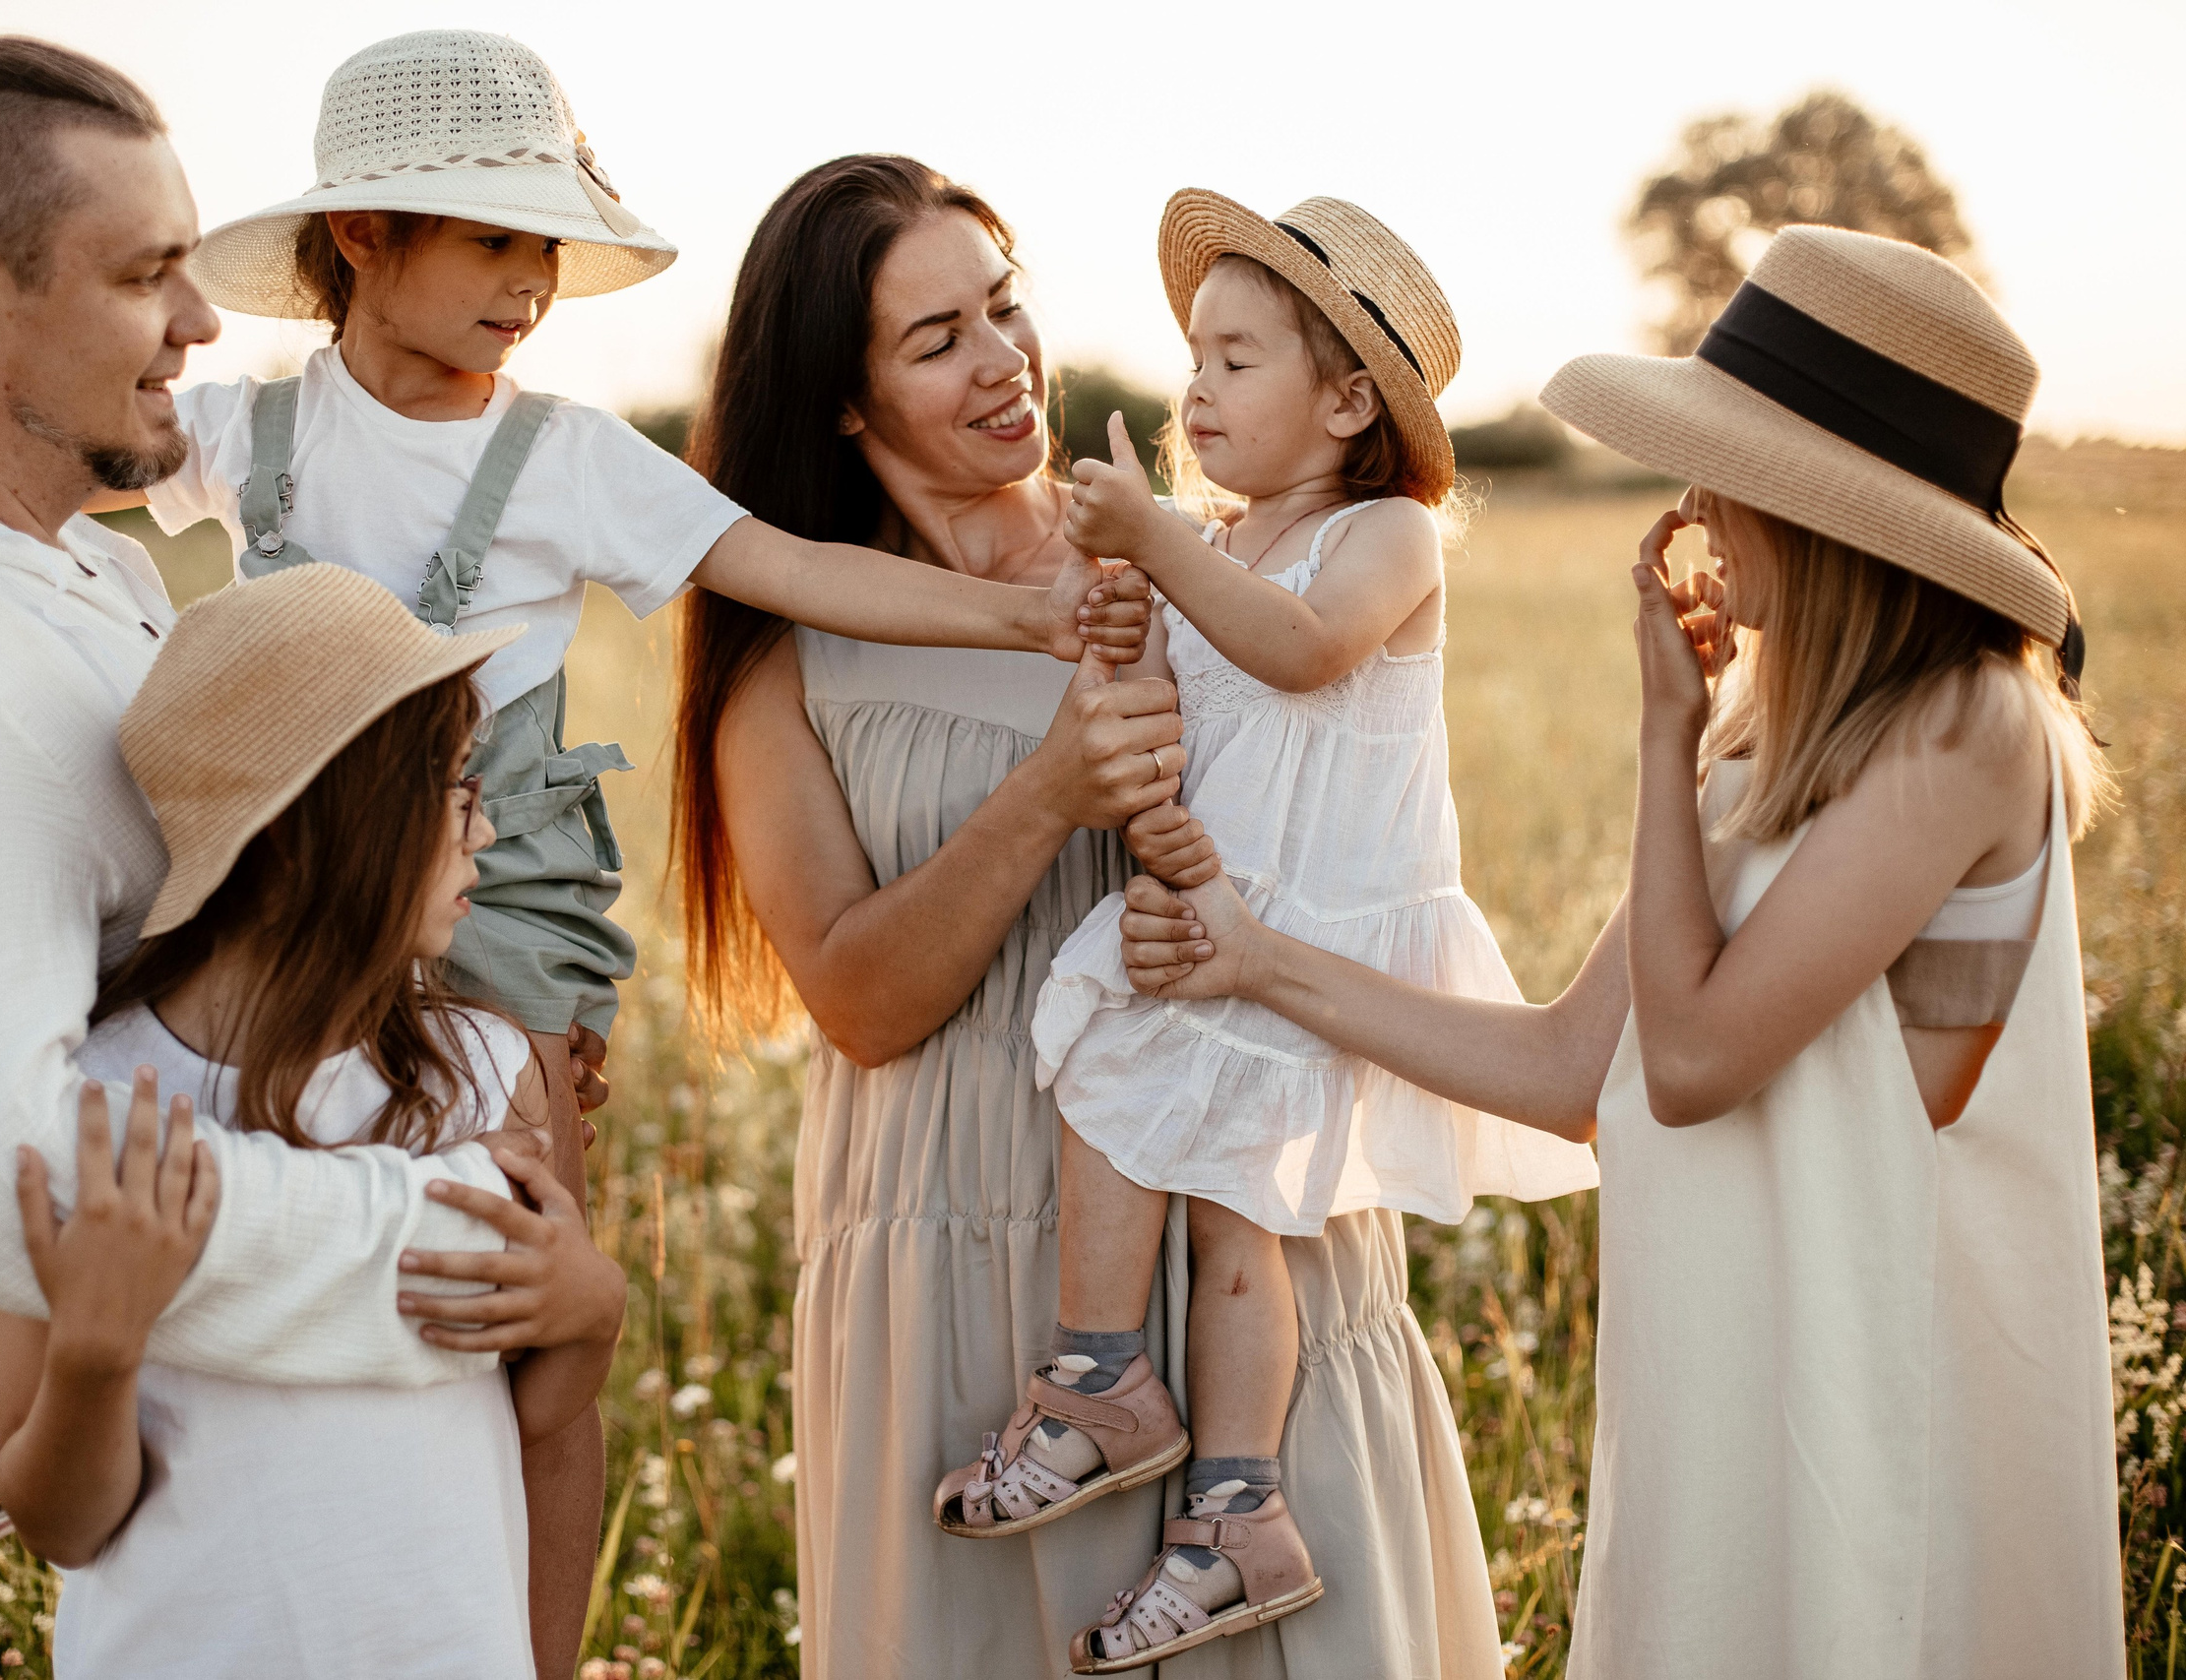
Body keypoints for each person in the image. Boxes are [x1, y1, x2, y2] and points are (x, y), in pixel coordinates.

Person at [0, 33, 1147, 1650]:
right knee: (123, 1078)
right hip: (284, 860)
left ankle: (534, 1637)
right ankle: (16, 1406)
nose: (533, 284)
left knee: (531, 1256)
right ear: (365, 237)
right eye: (494, 241)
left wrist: (1021, 617)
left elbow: (793, 567)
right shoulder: (240, 430)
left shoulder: (566, 458)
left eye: (546, 246)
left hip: (497, 882)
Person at [1120, 225, 2124, 1678]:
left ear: (1830, 510)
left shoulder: (1969, 724)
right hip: (1737, 1350)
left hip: (1879, 1365)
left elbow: (1702, 1055)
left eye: (1731, 468)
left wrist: (1664, 736)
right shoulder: (1767, 735)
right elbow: (1577, 1069)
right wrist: (1253, 957)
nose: (1699, 502)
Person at [0, 37, 536, 1609]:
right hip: (225, 1549)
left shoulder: (26, 578)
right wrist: (448, 1225)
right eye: (148, 277)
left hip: (332, 1489)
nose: (202, 323)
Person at [672, 156, 1500, 1679]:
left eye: (1005, 307)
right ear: (840, 400)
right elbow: (857, 998)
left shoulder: (1187, 556)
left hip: (1234, 1227)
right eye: (936, 340)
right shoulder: (786, 655)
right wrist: (1047, 788)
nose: (1004, 361)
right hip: (952, 1239)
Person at [943, 191, 1593, 1673]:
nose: (1197, 387)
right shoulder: (1222, 538)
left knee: (1250, 1236)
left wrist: (1164, 546)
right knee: (1102, 1069)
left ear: (1351, 398)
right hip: (1212, 909)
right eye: (1196, 355)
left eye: (1237, 358)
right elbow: (1179, 710)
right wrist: (1125, 617)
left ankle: (1235, 1500)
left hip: (1323, 946)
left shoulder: (1390, 534)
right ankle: (1109, 1381)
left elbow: (1300, 652)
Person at [0, 563, 626, 1677]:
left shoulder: (488, 1075)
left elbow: (538, 1424)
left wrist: (590, 1317)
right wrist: (94, 1354)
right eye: (451, 793)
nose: (484, 833)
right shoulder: (85, 1106)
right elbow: (61, 1524)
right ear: (302, 834)